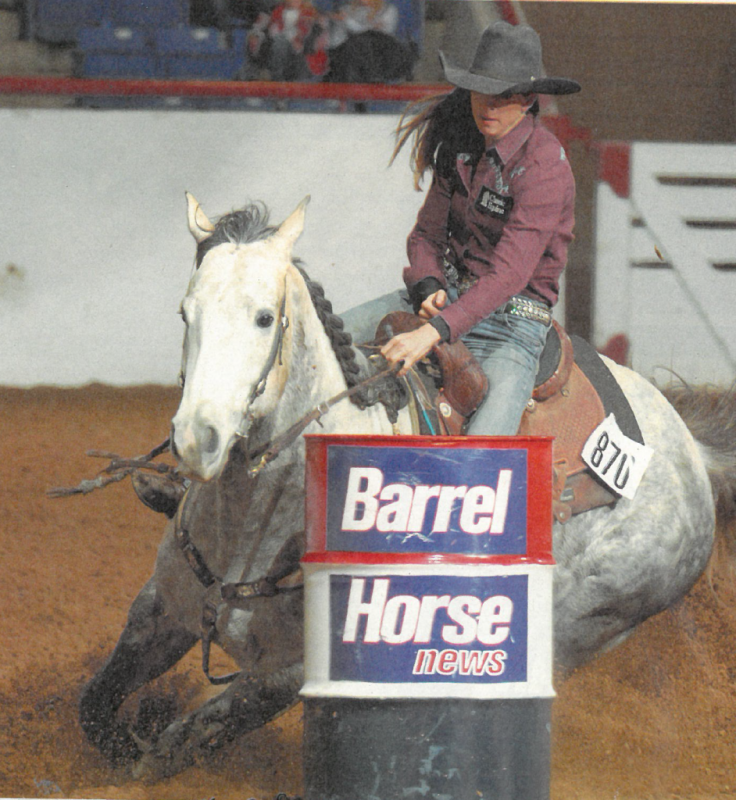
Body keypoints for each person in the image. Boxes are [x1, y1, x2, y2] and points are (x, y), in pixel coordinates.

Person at [381, 21, 581, 435]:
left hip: (513, 325)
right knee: (335, 340)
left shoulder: (544, 167)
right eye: (480, 91)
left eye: (503, 96)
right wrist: (426, 284)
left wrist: (434, 331)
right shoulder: (462, 145)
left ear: (527, 100)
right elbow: (425, 236)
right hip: (447, 300)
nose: (488, 106)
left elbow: (509, 274)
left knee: (483, 455)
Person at [323, 0, 415, 84]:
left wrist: (355, 24)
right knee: (356, 43)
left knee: (370, 39)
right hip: (352, 51)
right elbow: (337, 39)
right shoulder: (346, 10)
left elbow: (385, 31)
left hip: (380, 50)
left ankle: (372, 76)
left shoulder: (389, 10)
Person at [245, 0, 328, 81]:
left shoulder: (311, 14)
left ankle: (278, 79)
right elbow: (266, 29)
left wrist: (300, 42)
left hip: (300, 58)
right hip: (278, 53)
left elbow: (315, 37)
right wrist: (256, 37)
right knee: (276, 42)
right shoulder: (276, 11)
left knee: (282, 42)